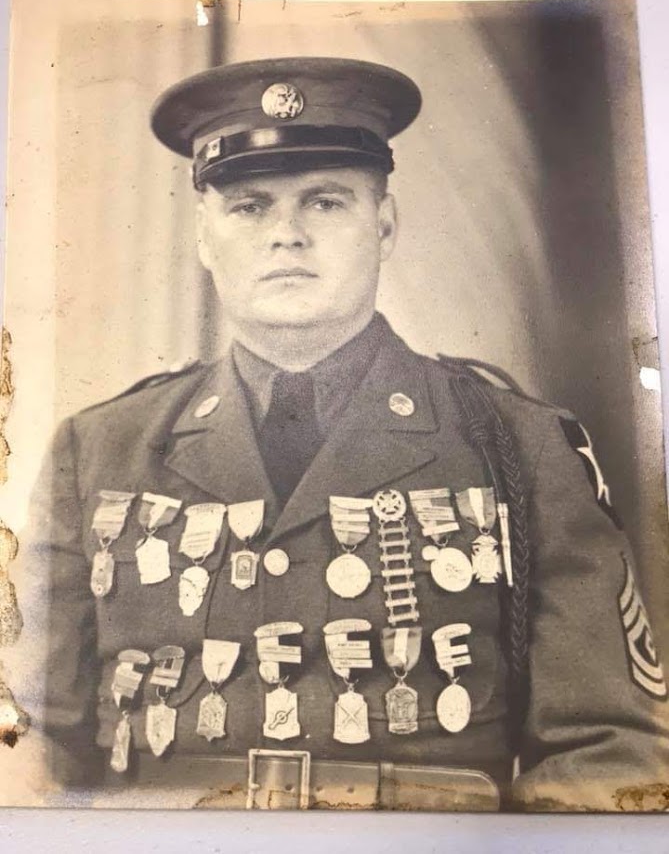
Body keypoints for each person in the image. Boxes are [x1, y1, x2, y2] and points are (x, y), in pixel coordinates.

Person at [28, 56, 669, 812]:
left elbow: (606, 756)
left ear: (384, 225)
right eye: (249, 207)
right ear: (205, 236)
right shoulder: (98, 449)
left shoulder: (514, 443)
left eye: (325, 202)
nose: (286, 236)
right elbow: (32, 745)